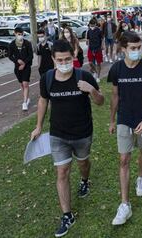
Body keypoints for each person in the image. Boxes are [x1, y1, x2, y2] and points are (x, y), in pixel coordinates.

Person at [30, 40, 104, 237]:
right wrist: (38, 126)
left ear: (74, 57)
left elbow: (100, 102)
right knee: (62, 172)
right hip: (58, 134)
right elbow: (43, 100)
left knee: (83, 164)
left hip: (82, 133)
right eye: (60, 60)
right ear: (53, 60)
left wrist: (92, 90)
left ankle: (85, 180)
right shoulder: (47, 78)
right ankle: (67, 215)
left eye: (68, 59)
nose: (64, 63)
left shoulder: (84, 75)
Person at [107, 31, 142, 225]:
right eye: (133, 48)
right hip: (124, 119)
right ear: (123, 49)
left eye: (139, 48)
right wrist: (112, 120)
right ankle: (124, 204)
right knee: (123, 159)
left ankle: (141, 176)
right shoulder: (116, 70)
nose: (137, 51)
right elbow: (114, 96)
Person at [8, 27, 33, 111]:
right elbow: (10, 56)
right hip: (17, 68)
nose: (20, 36)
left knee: (25, 84)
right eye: (18, 34)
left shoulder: (27, 43)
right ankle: (26, 98)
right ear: (15, 34)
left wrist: (24, 63)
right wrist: (17, 61)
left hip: (26, 67)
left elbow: (31, 56)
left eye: (21, 34)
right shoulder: (12, 44)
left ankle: (25, 102)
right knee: (22, 84)